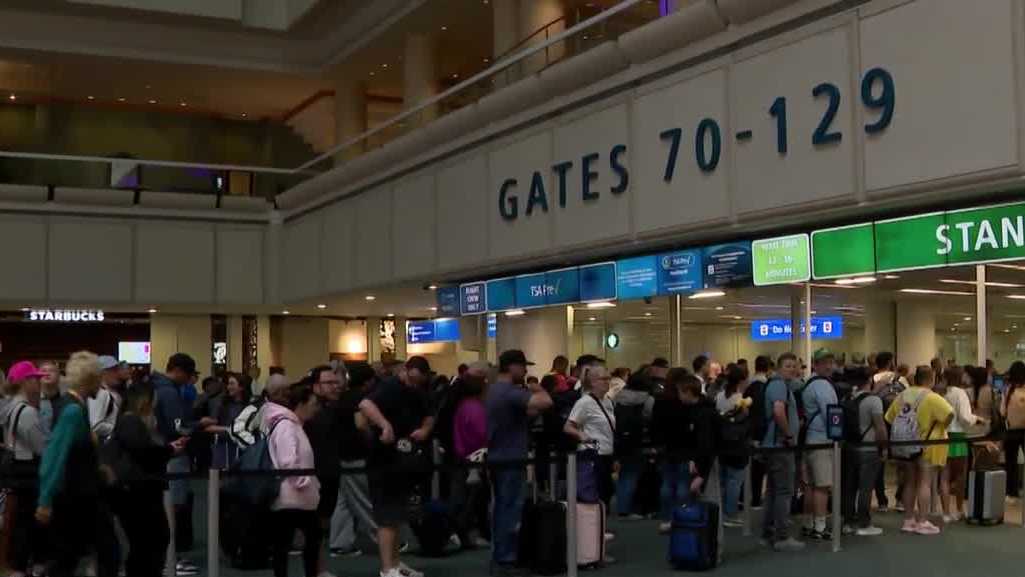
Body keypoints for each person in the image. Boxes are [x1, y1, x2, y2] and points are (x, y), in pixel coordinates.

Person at [35, 351, 119, 577]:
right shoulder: (72, 410)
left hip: (80, 495)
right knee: (96, 553)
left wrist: (99, 467)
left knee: (72, 557)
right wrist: (45, 499)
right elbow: (55, 455)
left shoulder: (74, 406)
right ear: (91, 379)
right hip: (75, 497)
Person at [358, 358, 436, 577]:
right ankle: (387, 568)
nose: (414, 384)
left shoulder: (418, 390)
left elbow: (430, 415)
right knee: (387, 516)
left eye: (419, 381)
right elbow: (365, 404)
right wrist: (385, 425)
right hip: (383, 461)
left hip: (404, 460)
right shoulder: (389, 387)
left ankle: (395, 563)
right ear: (405, 371)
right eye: (412, 379)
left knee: (397, 515)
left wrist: (425, 430)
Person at [108, 382, 189, 577]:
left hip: (136, 491)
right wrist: (169, 450)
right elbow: (144, 453)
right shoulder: (131, 421)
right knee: (150, 542)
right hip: (138, 493)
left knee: (147, 543)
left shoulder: (129, 422)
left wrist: (168, 449)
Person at [485, 350, 552, 576]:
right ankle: (506, 558)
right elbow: (545, 402)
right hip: (510, 458)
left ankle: (502, 555)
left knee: (502, 507)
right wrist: (537, 387)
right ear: (512, 367)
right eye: (523, 366)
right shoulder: (509, 391)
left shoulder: (494, 390)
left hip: (499, 456)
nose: (525, 371)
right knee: (510, 508)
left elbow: (528, 411)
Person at [885, 366, 954, 535]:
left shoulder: (903, 395)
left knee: (909, 481)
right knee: (925, 482)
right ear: (931, 379)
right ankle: (922, 521)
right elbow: (949, 414)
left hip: (905, 444)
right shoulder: (932, 397)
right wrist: (940, 425)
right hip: (927, 445)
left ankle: (908, 520)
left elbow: (889, 417)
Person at [266, 382, 323, 577]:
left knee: (299, 544)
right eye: (313, 404)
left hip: (297, 497)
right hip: (291, 498)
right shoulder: (287, 426)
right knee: (286, 546)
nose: (316, 409)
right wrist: (304, 483)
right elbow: (288, 461)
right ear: (301, 404)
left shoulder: (294, 425)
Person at [151, 353, 200, 577]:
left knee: (165, 507)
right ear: (178, 371)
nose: (189, 380)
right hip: (172, 453)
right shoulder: (169, 392)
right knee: (173, 507)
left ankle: (166, 557)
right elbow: (178, 427)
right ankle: (170, 558)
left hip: (159, 453)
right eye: (188, 375)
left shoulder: (154, 386)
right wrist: (198, 425)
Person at [1, 361, 49, 577]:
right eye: (35, 379)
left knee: (19, 523)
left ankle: (17, 566)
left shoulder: (10, 407)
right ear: (24, 382)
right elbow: (41, 447)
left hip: (16, 471)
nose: (39, 383)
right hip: (28, 473)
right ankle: (24, 567)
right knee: (28, 525)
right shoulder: (28, 412)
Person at [330, 363, 379, 557]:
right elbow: (360, 424)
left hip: (343, 455)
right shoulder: (359, 398)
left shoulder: (342, 398)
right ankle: (384, 538)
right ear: (367, 381)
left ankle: (339, 543)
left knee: (344, 502)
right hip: (357, 455)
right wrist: (372, 436)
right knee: (364, 500)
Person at [761, 353, 805, 552]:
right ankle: (782, 536)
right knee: (784, 491)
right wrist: (788, 434)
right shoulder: (779, 386)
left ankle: (769, 532)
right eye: (787, 366)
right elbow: (779, 412)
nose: (792, 369)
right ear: (779, 367)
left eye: (794, 366)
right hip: (780, 446)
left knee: (773, 491)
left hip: (773, 446)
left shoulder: (779, 385)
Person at [303, 365, 344, 577]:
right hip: (310, 475)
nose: (335, 386)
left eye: (336, 382)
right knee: (312, 528)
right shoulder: (307, 412)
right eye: (329, 383)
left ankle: (320, 569)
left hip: (330, 473)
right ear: (315, 386)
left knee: (322, 526)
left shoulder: (334, 409)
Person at [840, 366, 887, 537]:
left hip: (849, 447)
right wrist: (884, 447)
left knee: (850, 486)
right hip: (868, 448)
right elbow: (880, 427)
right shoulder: (873, 400)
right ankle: (864, 523)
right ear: (869, 380)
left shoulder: (847, 398)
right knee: (866, 487)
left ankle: (848, 522)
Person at [798, 349, 839, 541]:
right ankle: (820, 527)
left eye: (831, 361)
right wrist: (837, 437)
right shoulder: (823, 385)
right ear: (815, 364)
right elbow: (831, 413)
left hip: (809, 439)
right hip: (822, 441)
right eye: (824, 362)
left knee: (810, 486)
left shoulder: (808, 383)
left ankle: (808, 523)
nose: (829, 366)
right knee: (822, 486)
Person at [564, 364, 617, 511]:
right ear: (593, 381)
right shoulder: (584, 402)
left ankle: (601, 523)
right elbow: (568, 426)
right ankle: (593, 524)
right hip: (591, 454)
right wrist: (581, 435)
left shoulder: (607, 401)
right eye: (604, 379)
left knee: (605, 494)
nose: (607, 382)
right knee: (592, 494)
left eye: (609, 378)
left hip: (607, 453)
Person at [450, 362, 490, 549]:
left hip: (463, 457)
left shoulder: (464, 406)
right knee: (472, 501)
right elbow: (483, 434)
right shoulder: (475, 408)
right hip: (473, 460)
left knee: (466, 500)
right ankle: (467, 534)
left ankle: (462, 533)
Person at [937, 367, 982, 521]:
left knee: (944, 477)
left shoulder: (941, 393)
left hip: (942, 436)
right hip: (958, 436)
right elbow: (965, 417)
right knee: (960, 476)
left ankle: (945, 513)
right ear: (959, 377)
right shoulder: (960, 393)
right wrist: (977, 419)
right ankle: (959, 509)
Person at [613, 373, 655, 520]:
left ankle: (622, 507)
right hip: (639, 441)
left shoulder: (619, 397)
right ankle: (633, 508)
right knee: (635, 475)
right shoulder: (648, 400)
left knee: (624, 475)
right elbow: (650, 418)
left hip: (621, 440)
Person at [715, 364, 749, 527]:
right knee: (734, 480)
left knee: (723, 480)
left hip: (721, 442)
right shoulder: (741, 400)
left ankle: (721, 513)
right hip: (737, 444)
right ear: (741, 381)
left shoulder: (719, 396)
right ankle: (731, 514)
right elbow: (743, 420)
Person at [205, 372, 252, 468]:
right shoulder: (222, 404)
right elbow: (209, 427)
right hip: (224, 448)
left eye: (232, 384)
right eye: (228, 384)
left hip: (244, 449)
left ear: (241, 387)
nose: (228, 387)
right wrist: (228, 429)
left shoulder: (250, 405)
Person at [745, 355, 772, 510]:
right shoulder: (765, 387)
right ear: (768, 368)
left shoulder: (749, 387)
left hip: (750, 431)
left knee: (754, 468)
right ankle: (759, 498)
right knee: (762, 468)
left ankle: (753, 497)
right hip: (762, 433)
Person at [1000, 361, 1025, 498]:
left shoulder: (1008, 390)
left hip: (1011, 431)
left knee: (1011, 463)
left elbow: (1002, 411)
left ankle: (1012, 492)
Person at [88, 355, 123, 443]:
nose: (118, 374)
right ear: (103, 373)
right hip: (104, 444)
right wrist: (117, 429)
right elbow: (95, 425)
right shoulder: (100, 393)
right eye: (114, 370)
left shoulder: (109, 392)